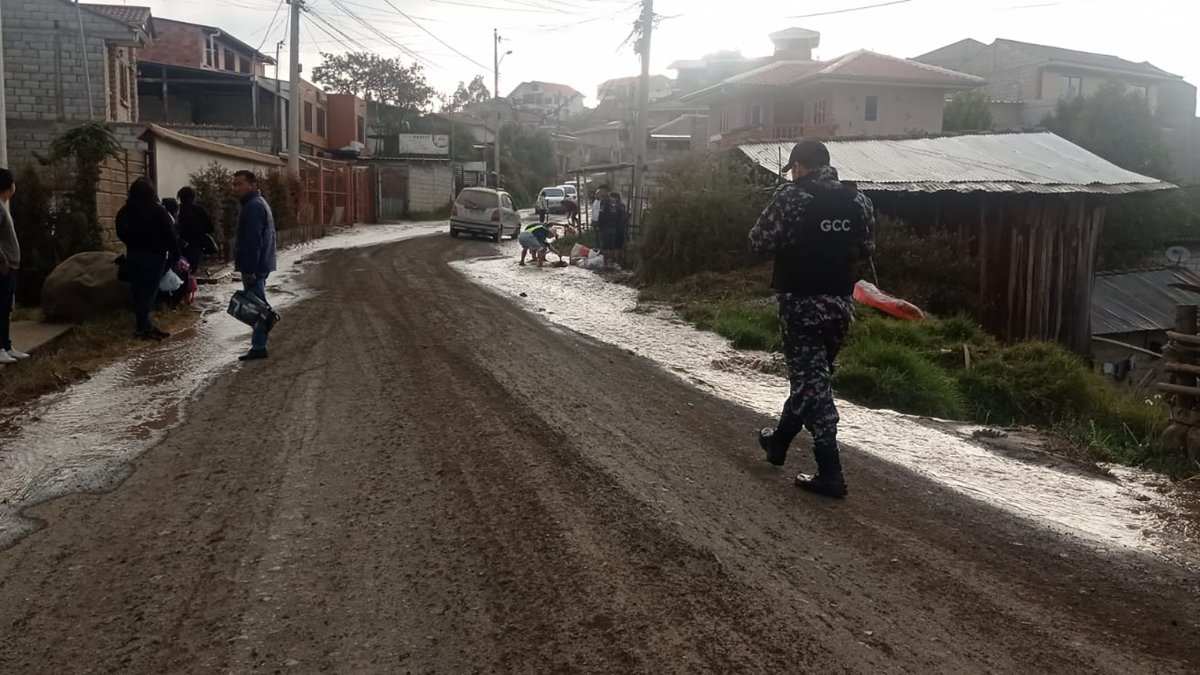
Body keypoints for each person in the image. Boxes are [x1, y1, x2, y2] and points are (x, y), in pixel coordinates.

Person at [749, 139, 874, 499]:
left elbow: (757, 240)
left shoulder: (792, 197)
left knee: (813, 385)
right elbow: (867, 249)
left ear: (799, 167)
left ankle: (830, 470)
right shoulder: (858, 200)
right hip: (840, 305)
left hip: (801, 304)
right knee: (811, 380)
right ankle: (778, 443)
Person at [116, 177, 180, 341]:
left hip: (134, 255)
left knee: (138, 292)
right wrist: (176, 254)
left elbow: (120, 231)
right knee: (148, 294)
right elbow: (169, 234)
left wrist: (131, 242)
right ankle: (142, 329)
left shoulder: (125, 211)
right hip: (154, 257)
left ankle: (146, 325)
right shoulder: (157, 210)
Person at [233, 170, 277, 362]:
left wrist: (249, 269)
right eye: (234, 184)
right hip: (260, 264)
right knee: (257, 304)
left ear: (252, 184)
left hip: (255, 266)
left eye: (240, 184)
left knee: (256, 307)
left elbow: (253, 242)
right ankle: (259, 344)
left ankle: (259, 346)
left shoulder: (252, 207)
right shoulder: (257, 203)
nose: (236, 188)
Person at [0, 169, 28, 365]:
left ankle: (7, 346)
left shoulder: (2, 206)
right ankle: (0, 348)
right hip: (4, 267)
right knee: (1, 308)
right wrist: (2, 260)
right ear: (9, 187)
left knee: (6, 308)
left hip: (11, 265)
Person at [176, 186, 215, 278]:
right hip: (197, 245)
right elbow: (210, 228)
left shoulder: (178, 210)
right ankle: (190, 288)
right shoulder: (200, 210)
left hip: (181, 245)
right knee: (192, 271)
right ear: (193, 197)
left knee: (180, 271)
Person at [609, 192, 630, 268]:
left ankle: (616, 261)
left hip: (617, 228)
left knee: (616, 245)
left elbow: (615, 218)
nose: (610, 199)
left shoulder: (616, 207)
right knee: (617, 245)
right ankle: (617, 261)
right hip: (620, 228)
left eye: (611, 198)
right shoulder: (622, 206)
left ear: (616, 198)